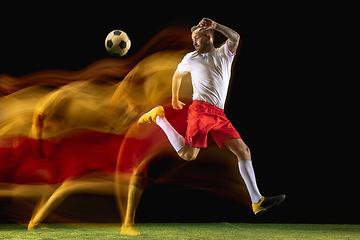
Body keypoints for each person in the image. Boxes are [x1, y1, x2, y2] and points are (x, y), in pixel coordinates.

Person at [138, 18, 285, 215]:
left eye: (196, 38)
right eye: (192, 39)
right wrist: (174, 98)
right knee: (188, 155)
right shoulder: (191, 58)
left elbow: (236, 37)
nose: (193, 42)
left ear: (208, 37)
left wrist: (215, 25)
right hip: (200, 111)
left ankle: (257, 202)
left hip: (219, 115)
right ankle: (159, 118)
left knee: (244, 151)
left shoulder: (223, 54)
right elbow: (177, 75)